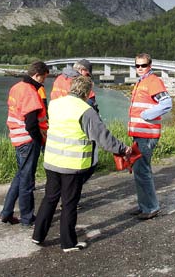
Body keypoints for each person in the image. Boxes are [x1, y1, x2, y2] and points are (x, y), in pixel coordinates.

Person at [32, 76, 131, 252]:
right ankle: (68, 244)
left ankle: (38, 235)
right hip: (72, 164)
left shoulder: (55, 104)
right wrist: (123, 149)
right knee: (69, 203)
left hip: (52, 160)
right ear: (86, 92)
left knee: (50, 198)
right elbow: (104, 138)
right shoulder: (86, 110)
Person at [0, 61, 49, 226]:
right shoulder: (30, 92)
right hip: (28, 140)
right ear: (37, 75)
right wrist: (38, 139)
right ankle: (27, 218)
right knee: (27, 181)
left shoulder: (16, 87)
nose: (44, 82)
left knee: (21, 175)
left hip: (17, 137)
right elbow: (31, 123)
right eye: (44, 78)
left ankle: (6, 212)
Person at [128, 53, 172, 220]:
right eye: (137, 66)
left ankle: (151, 207)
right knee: (139, 171)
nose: (140, 68)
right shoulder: (141, 82)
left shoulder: (153, 81)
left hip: (147, 135)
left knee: (143, 171)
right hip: (139, 134)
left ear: (150, 65)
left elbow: (167, 103)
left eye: (143, 65)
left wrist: (147, 115)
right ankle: (144, 206)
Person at [51, 58, 99, 186]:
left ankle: (62, 192)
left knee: (60, 164)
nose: (88, 78)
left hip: (58, 125)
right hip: (77, 126)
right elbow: (91, 106)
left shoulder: (59, 79)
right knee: (90, 163)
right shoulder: (80, 83)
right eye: (88, 74)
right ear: (83, 70)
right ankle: (71, 193)